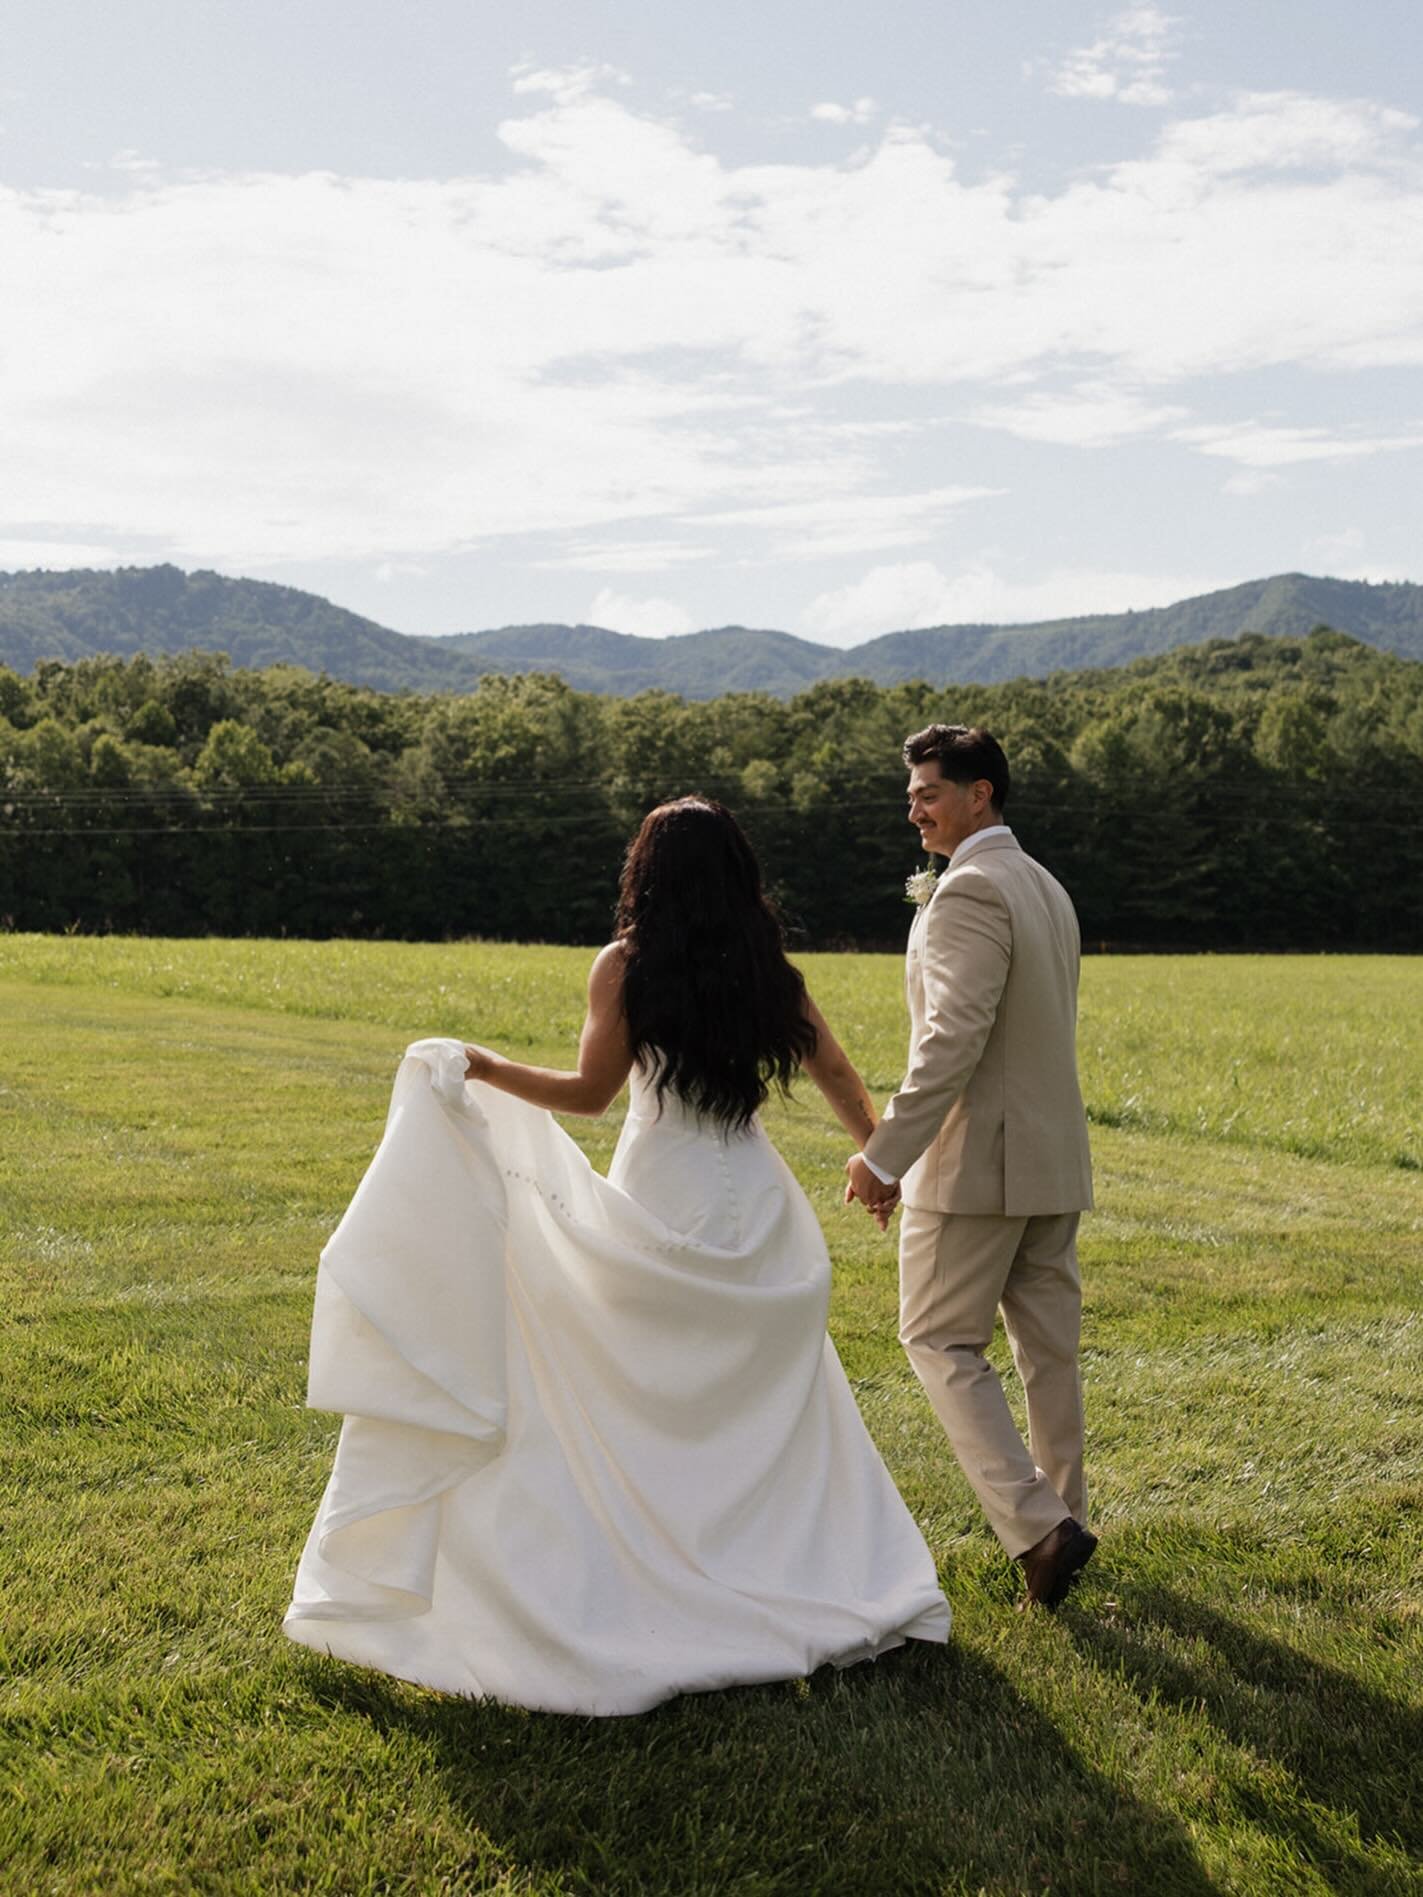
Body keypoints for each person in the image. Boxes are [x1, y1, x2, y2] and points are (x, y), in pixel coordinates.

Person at [285, 797, 950, 1714]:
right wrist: (879, 1158)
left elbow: (589, 1094)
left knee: (639, 1384)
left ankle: (651, 1562)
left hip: (664, 1189)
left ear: (646, 872)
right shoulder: (769, 968)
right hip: (758, 1203)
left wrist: (482, 1064)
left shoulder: (625, 967)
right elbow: (835, 1072)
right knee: (761, 1404)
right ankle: (785, 1562)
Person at [844, 726, 1096, 1611]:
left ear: (979, 793)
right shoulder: (1045, 886)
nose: (912, 810)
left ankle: (1040, 1529)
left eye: (927, 793)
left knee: (937, 1339)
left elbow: (951, 1040)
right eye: (911, 795)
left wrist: (883, 1155)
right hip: (1052, 1158)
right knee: (1047, 1354)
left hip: (978, 1163)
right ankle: (1065, 1521)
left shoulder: (970, 891)